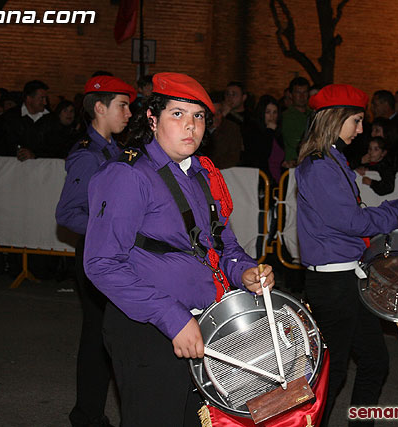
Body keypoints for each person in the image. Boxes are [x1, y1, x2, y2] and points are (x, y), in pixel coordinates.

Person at [83, 73, 275, 426]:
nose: (190, 126)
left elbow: (222, 245)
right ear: (153, 120)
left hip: (205, 324)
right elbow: (102, 264)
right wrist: (173, 318)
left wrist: (245, 270)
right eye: (178, 114)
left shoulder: (202, 174)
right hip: (147, 328)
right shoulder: (128, 175)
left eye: (198, 116)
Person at [295, 83, 398, 427]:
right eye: (355, 120)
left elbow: (351, 216)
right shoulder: (320, 165)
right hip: (333, 281)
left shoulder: (334, 159)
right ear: (334, 119)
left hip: (348, 277)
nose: (360, 129)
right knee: (333, 372)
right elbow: (351, 221)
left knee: (373, 363)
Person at [55, 75, 136, 427]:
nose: (129, 113)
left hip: (114, 253)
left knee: (110, 335)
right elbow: (68, 213)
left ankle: (91, 413)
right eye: (123, 105)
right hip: (96, 254)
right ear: (100, 108)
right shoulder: (88, 156)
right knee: (97, 337)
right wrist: (108, 230)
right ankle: (86, 415)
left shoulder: (115, 151)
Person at [242, 94, 285, 183]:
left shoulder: (277, 133)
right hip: (262, 180)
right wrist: (269, 131)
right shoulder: (252, 131)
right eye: (268, 112)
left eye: (275, 112)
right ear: (262, 113)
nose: (272, 116)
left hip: (278, 180)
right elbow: (261, 155)